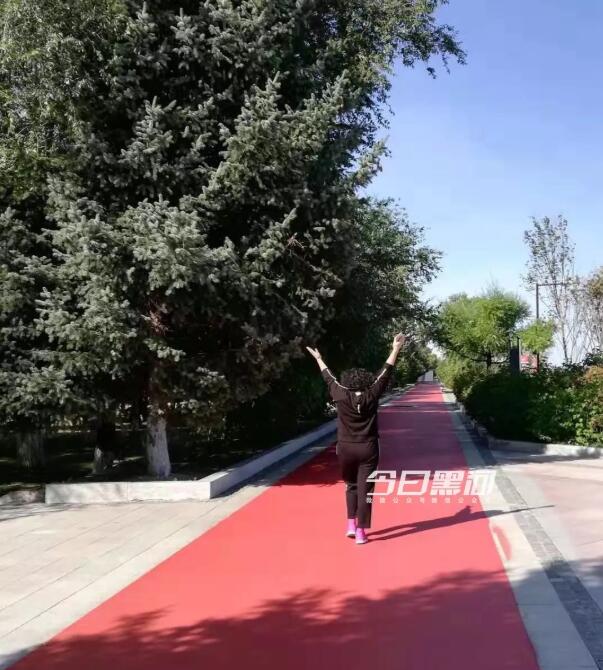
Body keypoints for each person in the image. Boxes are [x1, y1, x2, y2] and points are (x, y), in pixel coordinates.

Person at [306, 333, 406, 544]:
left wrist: (319, 359)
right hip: (368, 448)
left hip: (345, 448)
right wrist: (395, 349)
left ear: (347, 382)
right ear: (367, 382)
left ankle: (350, 524)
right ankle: (361, 532)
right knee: (366, 490)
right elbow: (385, 372)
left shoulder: (340, 394)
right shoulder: (372, 394)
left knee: (351, 485)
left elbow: (328, 377)